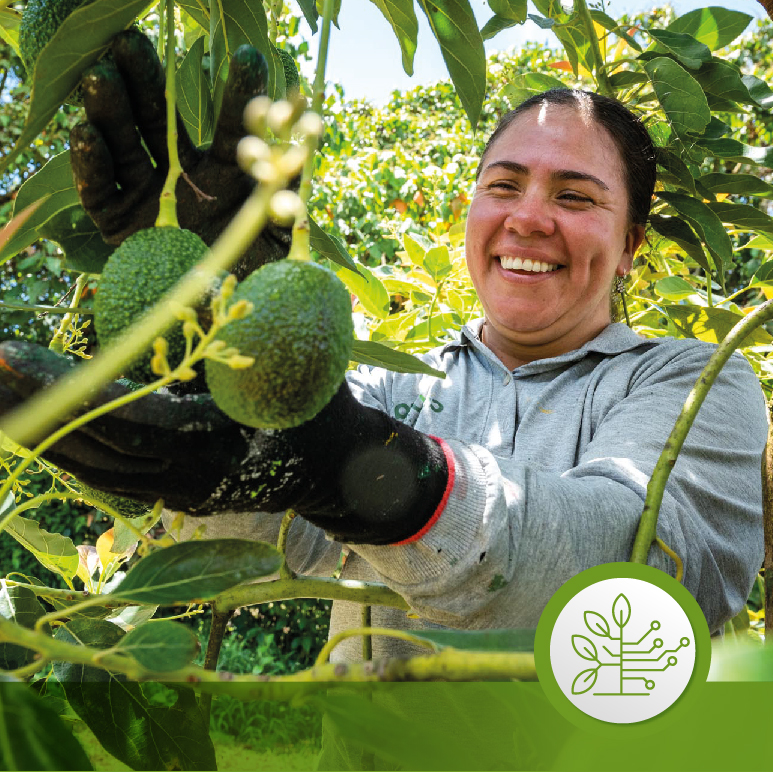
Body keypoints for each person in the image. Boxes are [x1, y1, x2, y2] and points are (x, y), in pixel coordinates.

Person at [0, 32, 766, 665]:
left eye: (574, 196)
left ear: (631, 245)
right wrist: (217, 326)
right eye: (502, 186)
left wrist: (377, 475)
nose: (528, 218)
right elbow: (275, 532)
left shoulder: (698, 382)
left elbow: (637, 572)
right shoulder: (387, 384)